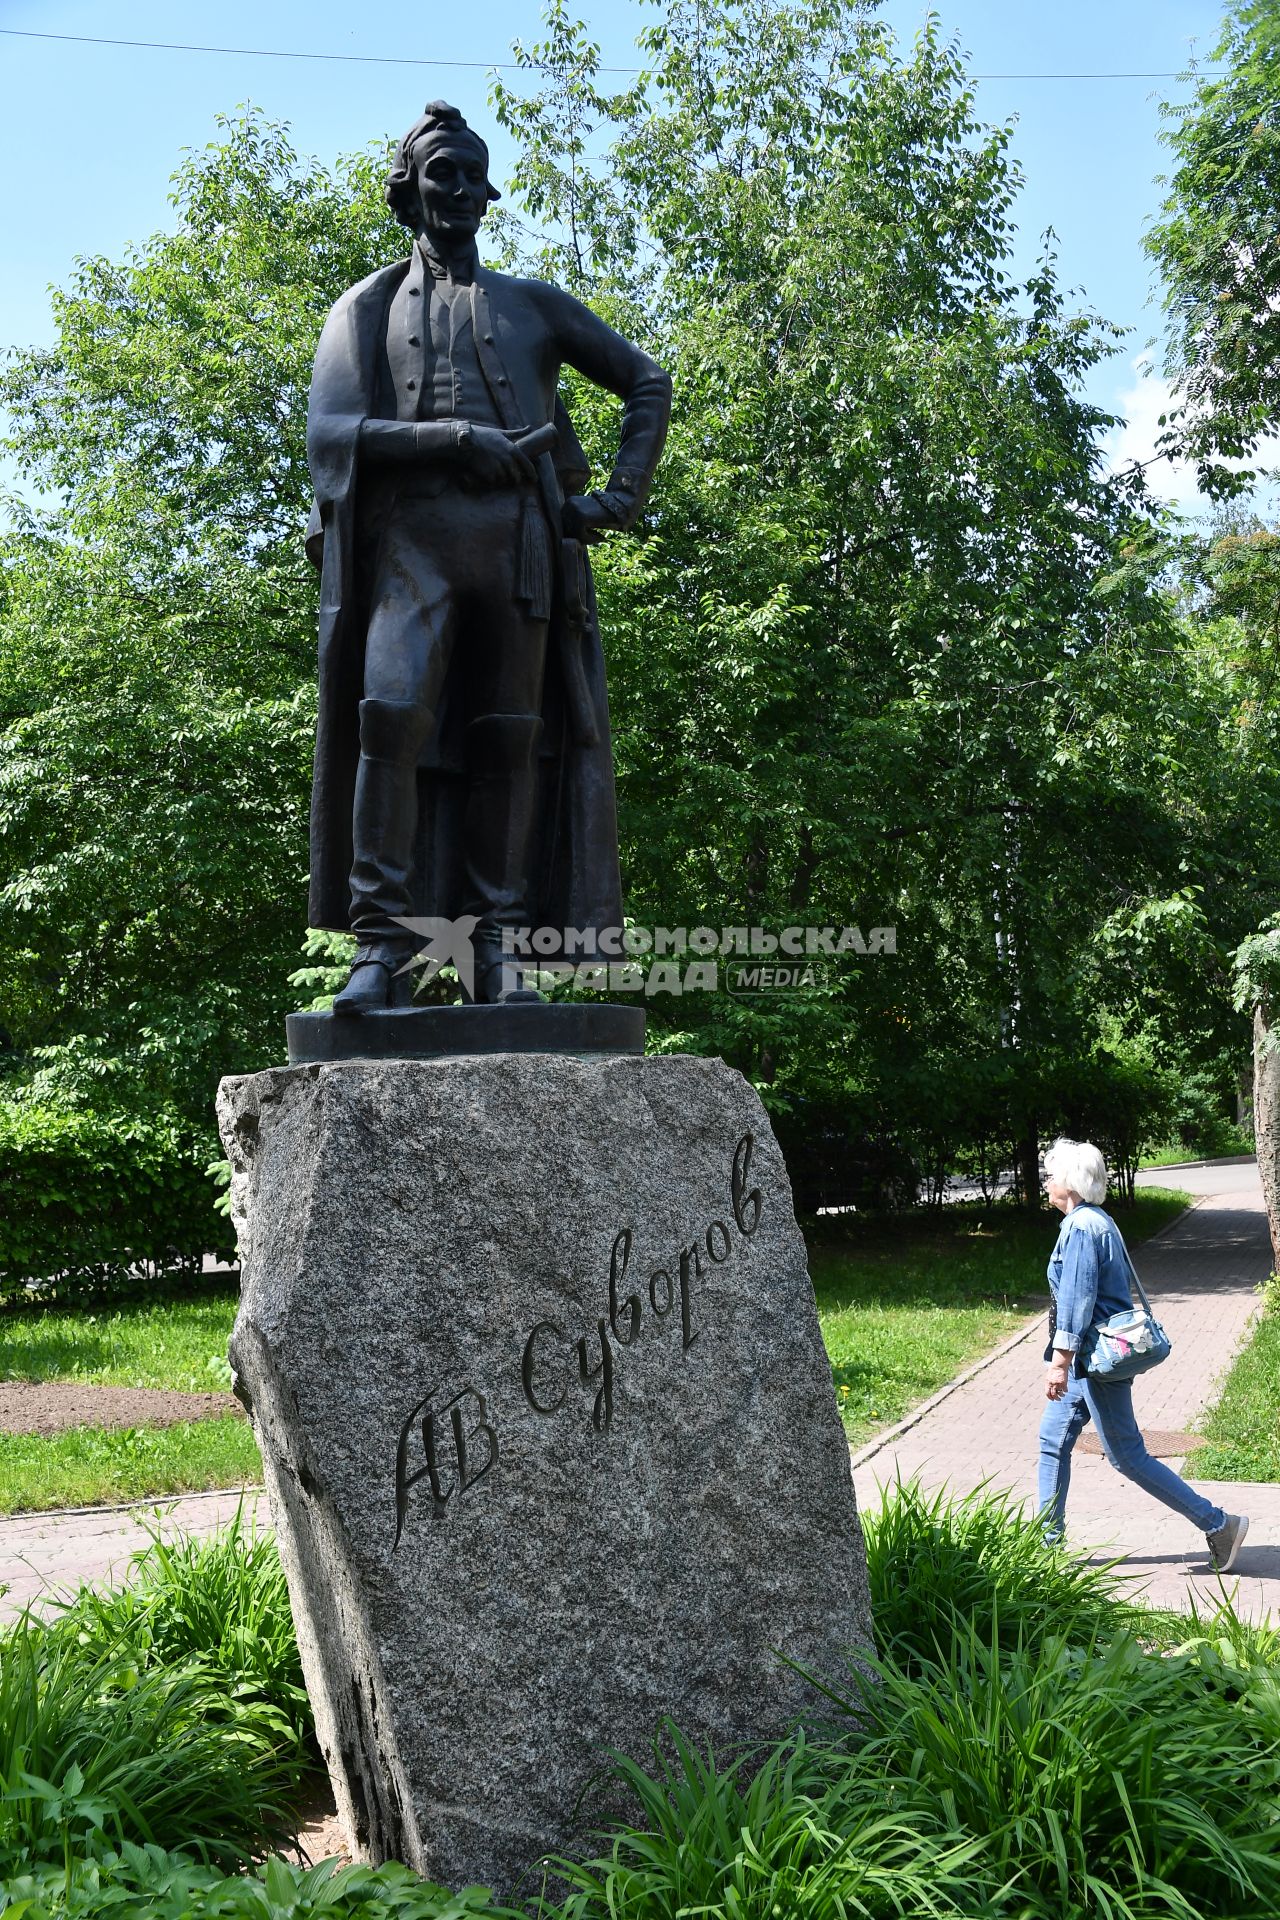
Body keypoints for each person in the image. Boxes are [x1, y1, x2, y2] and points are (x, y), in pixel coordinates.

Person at [304, 102, 671, 1010]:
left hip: (518, 549)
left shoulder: (532, 304)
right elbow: (332, 432)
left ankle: (496, 951)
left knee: (511, 740)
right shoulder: (367, 307)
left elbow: (646, 380)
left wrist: (618, 498)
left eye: (473, 175)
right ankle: (382, 951)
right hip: (411, 550)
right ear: (409, 191)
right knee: (387, 719)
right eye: (442, 174)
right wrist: (453, 443)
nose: (461, 191)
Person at [1037, 1136, 1248, 1571]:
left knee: (1126, 1455)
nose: (1046, 1183)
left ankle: (1218, 1524)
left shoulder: (1080, 1228)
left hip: (1094, 1361)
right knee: (1052, 1442)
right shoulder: (1097, 1219)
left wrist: (1059, 1362)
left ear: (1071, 1182)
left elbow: (1077, 1300)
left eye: (1051, 1175)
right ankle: (1045, 1548)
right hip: (1088, 1360)